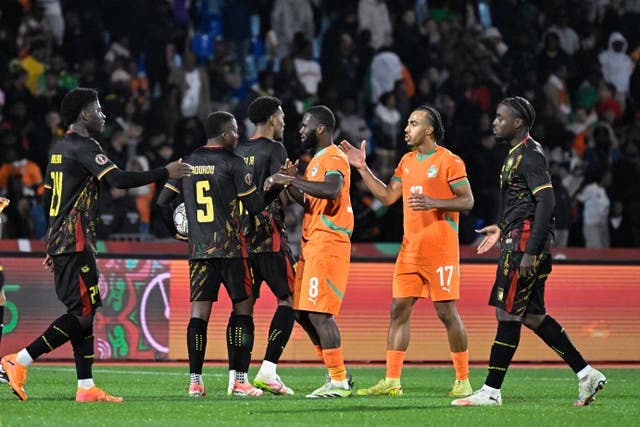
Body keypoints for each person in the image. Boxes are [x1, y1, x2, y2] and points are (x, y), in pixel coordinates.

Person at [0, 88, 193, 402]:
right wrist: (164, 172)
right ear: (84, 114)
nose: (104, 115)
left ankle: (86, 386)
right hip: (75, 240)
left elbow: (49, 198)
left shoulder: (59, 148)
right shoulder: (84, 146)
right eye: (99, 110)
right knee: (82, 313)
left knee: (84, 312)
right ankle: (19, 360)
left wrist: (51, 241)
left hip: (65, 239)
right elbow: (117, 180)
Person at [451, 96, 606, 407]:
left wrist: (530, 251)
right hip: (519, 239)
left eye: (501, 117)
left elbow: (547, 201)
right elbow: (523, 203)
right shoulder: (517, 154)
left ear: (518, 122)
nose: (495, 122)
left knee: (507, 312)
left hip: (524, 246)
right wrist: (501, 226)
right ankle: (586, 374)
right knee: (533, 316)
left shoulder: (530, 155)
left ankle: (491, 391)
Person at [339, 106, 475, 397]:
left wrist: (435, 202)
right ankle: (392, 381)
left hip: (440, 251)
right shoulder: (407, 161)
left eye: (413, 124)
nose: (406, 128)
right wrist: (362, 168)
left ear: (429, 130)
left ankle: (463, 381)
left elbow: (467, 201)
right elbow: (388, 197)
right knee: (398, 309)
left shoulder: (449, 161)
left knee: (446, 312)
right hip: (410, 250)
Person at [157, 111, 267, 398]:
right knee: (243, 310)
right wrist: (275, 186)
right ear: (225, 133)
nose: (238, 136)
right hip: (232, 250)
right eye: (235, 130)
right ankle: (240, 381)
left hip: (199, 250)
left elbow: (162, 202)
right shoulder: (234, 162)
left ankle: (195, 382)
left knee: (199, 315)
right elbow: (255, 206)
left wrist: (178, 233)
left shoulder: (187, 162)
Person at [264, 105, 353, 398]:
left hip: (328, 243)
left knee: (320, 314)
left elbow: (332, 190)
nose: (300, 130)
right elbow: (310, 200)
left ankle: (338, 382)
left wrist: (290, 180)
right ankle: (335, 373)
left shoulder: (334, 157)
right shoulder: (316, 160)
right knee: (302, 312)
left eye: (305, 125)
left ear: (321, 128)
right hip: (312, 244)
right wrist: (292, 182)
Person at [235, 96, 296, 395]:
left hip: (239, 241)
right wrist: (289, 182)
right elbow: (280, 193)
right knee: (289, 300)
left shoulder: (237, 149)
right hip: (269, 237)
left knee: (243, 309)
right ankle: (268, 370)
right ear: (272, 119)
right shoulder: (275, 149)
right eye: (281, 115)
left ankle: (237, 378)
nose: (284, 121)